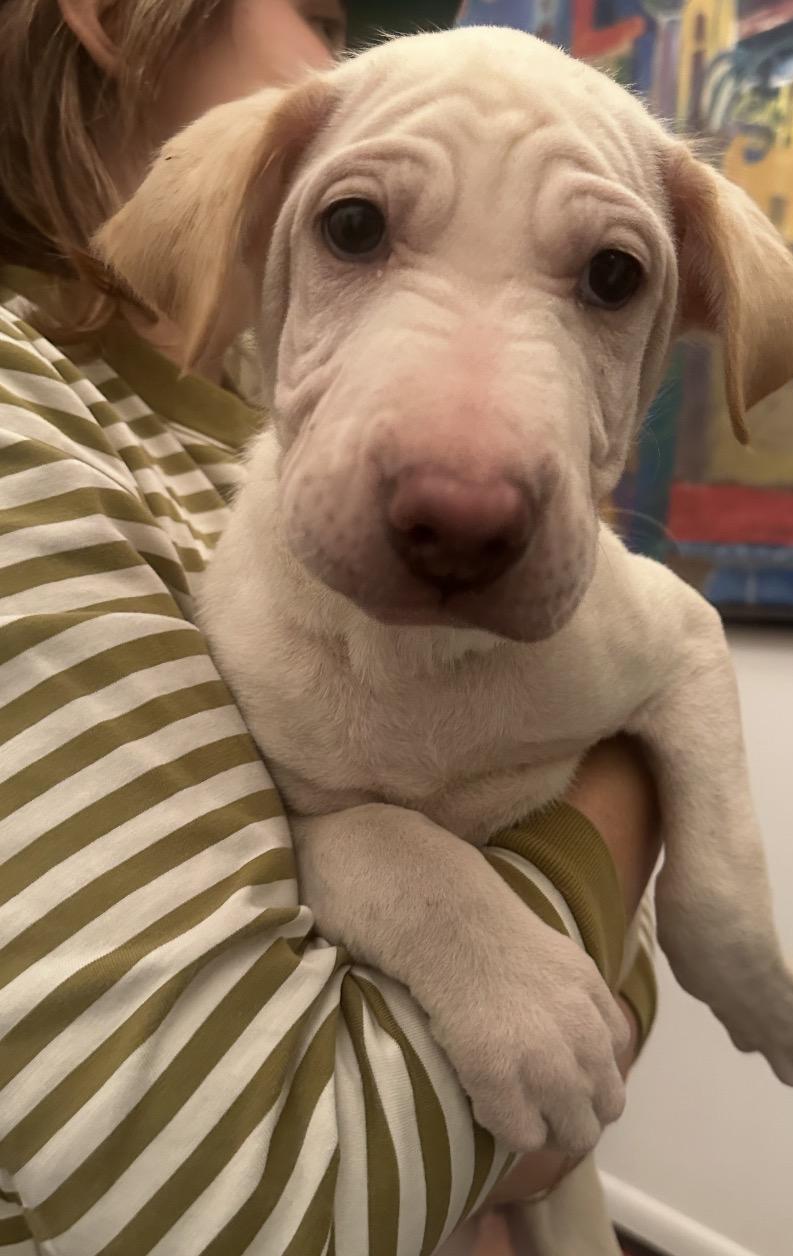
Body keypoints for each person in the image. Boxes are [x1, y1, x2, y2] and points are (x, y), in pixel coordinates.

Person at [0, 3, 660, 1253]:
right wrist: (626, 790)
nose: (346, 51)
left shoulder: (243, 421)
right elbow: (274, 1190)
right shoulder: (26, 426)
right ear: (106, 16)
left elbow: (583, 1066)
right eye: (320, 15)